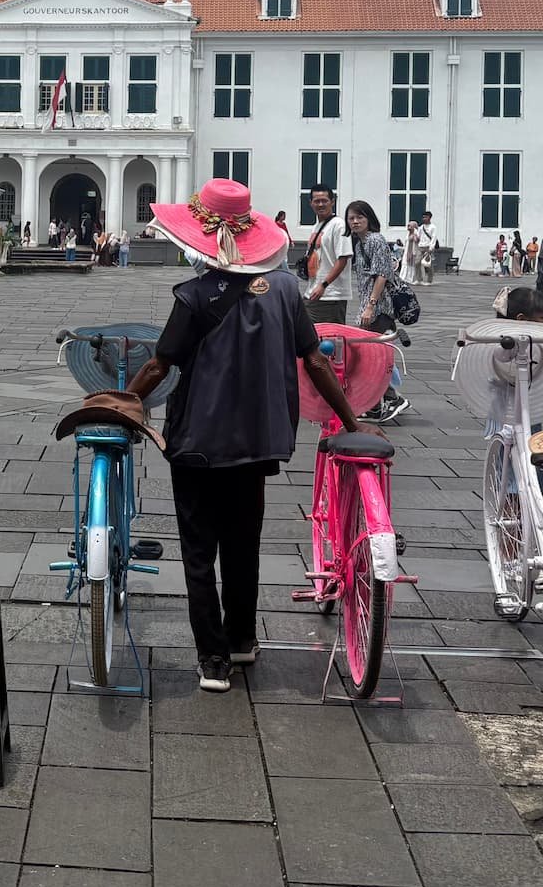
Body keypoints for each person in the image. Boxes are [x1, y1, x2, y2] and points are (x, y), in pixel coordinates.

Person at [124, 177, 364, 693]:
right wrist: (351, 420)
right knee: (242, 544)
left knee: (197, 552)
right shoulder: (282, 289)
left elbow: (160, 364)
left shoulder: (193, 295)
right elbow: (315, 361)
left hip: (197, 442)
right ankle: (240, 640)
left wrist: (120, 403)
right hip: (256, 441)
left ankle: (213, 660)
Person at [344, 199, 409, 422]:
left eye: (359, 217)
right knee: (370, 356)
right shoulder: (360, 242)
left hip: (379, 308)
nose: (355, 221)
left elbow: (383, 274)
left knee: (372, 357)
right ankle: (374, 403)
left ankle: (392, 398)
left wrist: (370, 306)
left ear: (369, 218)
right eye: (351, 218)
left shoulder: (375, 240)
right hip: (369, 307)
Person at [302, 186, 350, 319]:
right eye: (317, 201)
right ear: (311, 203)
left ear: (332, 202)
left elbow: (343, 259)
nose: (321, 204)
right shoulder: (316, 226)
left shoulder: (339, 225)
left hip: (330, 294)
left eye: (324, 200)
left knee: (329, 337)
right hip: (313, 291)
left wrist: (324, 285)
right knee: (311, 335)